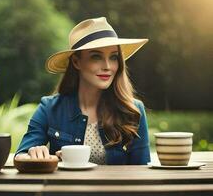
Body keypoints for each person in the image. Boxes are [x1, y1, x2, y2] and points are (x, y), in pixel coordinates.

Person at [14, 17, 150, 165]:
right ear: (76, 62)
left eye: (113, 57)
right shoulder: (49, 108)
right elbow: (21, 155)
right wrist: (38, 155)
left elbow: (142, 171)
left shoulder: (134, 111)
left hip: (116, 189)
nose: (107, 66)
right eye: (96, 56)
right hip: (67, 188)